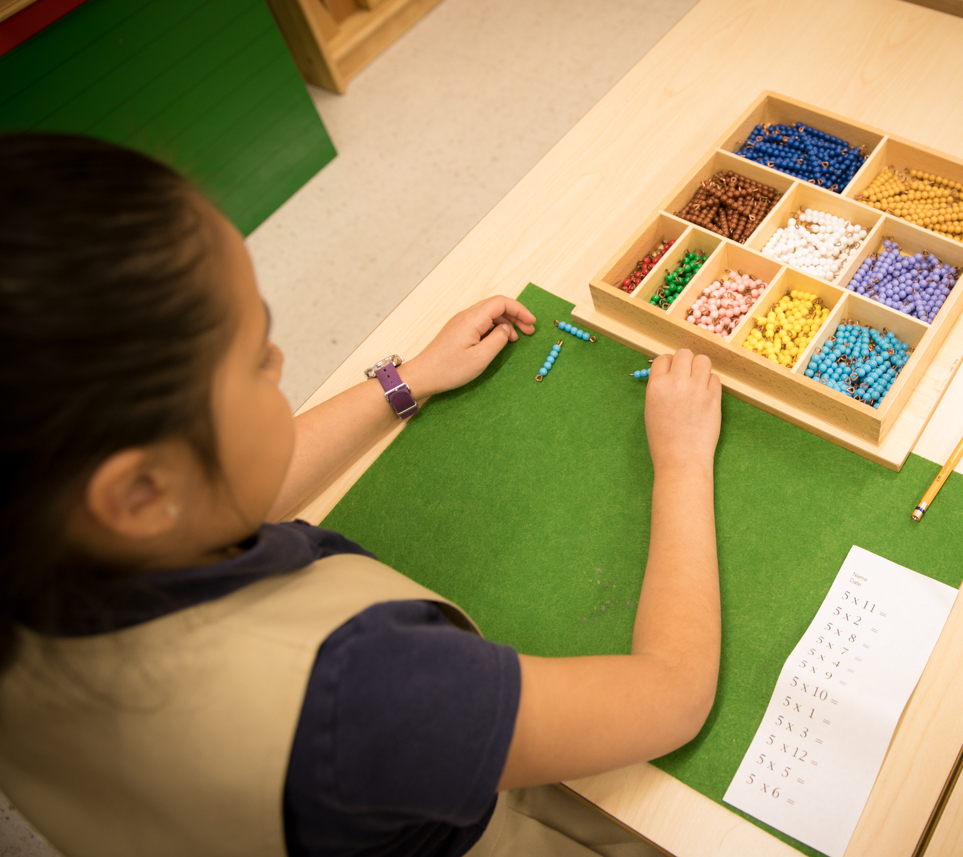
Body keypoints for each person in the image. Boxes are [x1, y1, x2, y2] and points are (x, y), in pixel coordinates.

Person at [0, 134, 723, 857]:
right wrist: (683, 459)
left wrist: (409, 378)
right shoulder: (363, 691)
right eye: (257, 359)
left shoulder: (43, 550)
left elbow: (225, 498)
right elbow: (672, 696)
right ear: (139, 491)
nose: (281, 360)